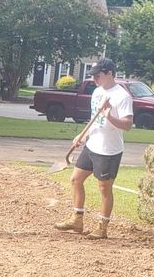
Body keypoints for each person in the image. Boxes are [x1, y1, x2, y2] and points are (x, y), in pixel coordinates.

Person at [54, 58, 133, 239]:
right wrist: (83, 136)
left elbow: (128, 125)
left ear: (110, 74)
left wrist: (109, 117)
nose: (95, 79)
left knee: (104, 189)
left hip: (109, 151)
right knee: (75, 180)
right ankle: (77, 219)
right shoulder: (97, 92)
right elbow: (94, 119)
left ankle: (102, 227)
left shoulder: (122, 96)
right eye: (94, 76)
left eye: (98, 76)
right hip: (92, 145)